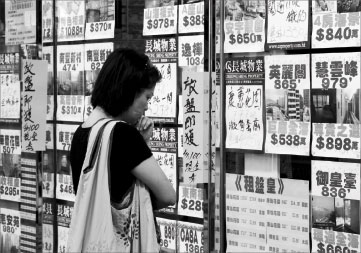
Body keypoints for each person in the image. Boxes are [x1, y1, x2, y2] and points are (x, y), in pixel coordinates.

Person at [69, 48, 176, 246]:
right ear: (128, 91)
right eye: (147, 97)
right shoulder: (123, 135)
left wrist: (140, 142)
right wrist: (139, 142)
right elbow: (168, 196)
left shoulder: (81, 134)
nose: (147, 106)